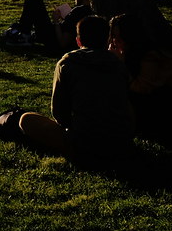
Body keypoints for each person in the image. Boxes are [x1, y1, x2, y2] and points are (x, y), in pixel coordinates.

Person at [17, 16, 135, 163]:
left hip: (84, 141)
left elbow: (59, 112)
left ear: (78, 41)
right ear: (107, 40)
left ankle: (74, 151)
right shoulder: (119, 64)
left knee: (26, 119)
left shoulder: (68, 63)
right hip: (120, 142)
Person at [108, 14, 172, 135]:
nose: (116, 41)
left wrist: (120, 64)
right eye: (114, 37)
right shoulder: (129, 54)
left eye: (119, 37)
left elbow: (141, 88)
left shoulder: (152, 57)